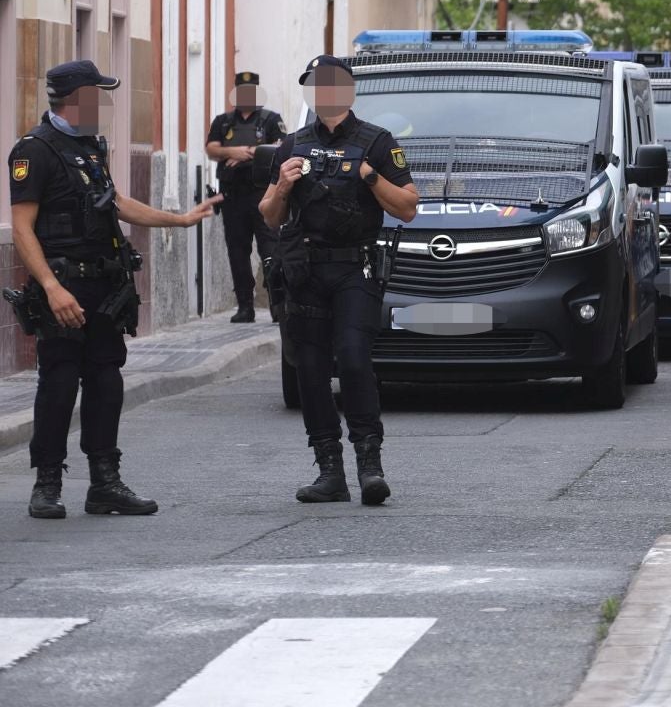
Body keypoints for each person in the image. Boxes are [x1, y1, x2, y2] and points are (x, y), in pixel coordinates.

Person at [11, 61, 221, 519]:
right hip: (62, 286)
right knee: (60, 383)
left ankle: (105, 482)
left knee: (106, 382)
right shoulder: (35, 149)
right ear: (77, 97)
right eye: (99, 95)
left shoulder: (90, 147)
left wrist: (180, 219)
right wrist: (50, 288)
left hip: (104, 286)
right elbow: (22, 228)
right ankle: (47, 484)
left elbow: (118, 203)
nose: (106, 104)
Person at [260, 55, 418, 506]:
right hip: (306, 270)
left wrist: (369, 177)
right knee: (309, 370)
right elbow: (270, 218)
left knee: (352, 359)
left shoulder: (376, 142)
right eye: (315, 85)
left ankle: (370, 465)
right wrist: (283, 187)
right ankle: (330, 470)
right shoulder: (292, 144)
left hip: (355, 269)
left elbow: (408, 207)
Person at [205, 71, 286, 323]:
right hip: (233, 197)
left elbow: (281, 146)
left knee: (269, 250)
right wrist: (233, 151)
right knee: (237, 252)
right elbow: (211, 148)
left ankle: (276, 305)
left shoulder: (270, 119)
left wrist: (248, 153)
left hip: (261, 195)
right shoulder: (223, 121)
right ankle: (244, 306)